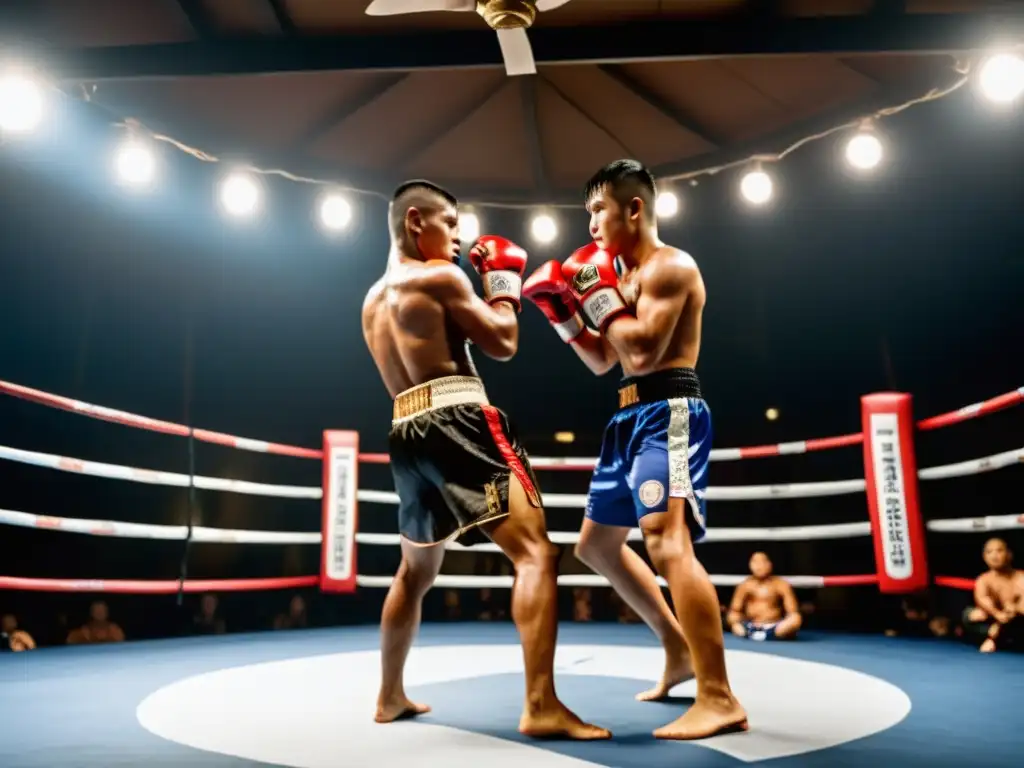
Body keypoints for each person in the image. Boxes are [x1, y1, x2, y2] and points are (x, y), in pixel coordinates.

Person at [362, 179, 609, 740]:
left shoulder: (372, 300)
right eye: (450, 223)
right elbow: (503, 341)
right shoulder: (442, 277)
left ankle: (389, 695)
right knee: (536, 555)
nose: (459, 236)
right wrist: (501, 285)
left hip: (405, 430)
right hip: (460, 420)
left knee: (415, 571)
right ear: (415, 222)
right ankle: (542, 704)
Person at [523, 159, 746, 740]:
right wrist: (565, 316)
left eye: (599, 208)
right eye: (588, 211)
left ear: (634, 208)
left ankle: (719, 696)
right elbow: (605, 360)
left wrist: (594, 296)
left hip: (668, 409)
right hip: (627, 415)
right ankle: (676, 647)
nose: (591, 222)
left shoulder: (671, 267)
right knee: (596, 546)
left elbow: (644, 352)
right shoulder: (617, 275)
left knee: (667, 542)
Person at [962, 537, 1023, 652]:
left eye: (999, 551)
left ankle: (996, 637)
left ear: (1009, 554)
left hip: (1015, 621)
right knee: (972, 614)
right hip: (995, 620)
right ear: (984, 557)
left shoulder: (1020, 578)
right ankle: (996, 635)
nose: (994, 556)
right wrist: (997, 614)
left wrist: (1013, 610)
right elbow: (982, 599)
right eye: (989, 552)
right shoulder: (984, 580)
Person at [726, 552, 802, 641]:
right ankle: (752, 633)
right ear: (750, 565)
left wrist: (787, 625)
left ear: (769, 564)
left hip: (774, 626)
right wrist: (737, 619)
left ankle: (768, 634)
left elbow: (792, 611)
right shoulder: (745, 585)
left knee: (796, 619)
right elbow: (735, 610)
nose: (759, 566)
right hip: (751, 625)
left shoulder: (781, 584)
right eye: (755, 562)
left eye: (762, 562)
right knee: (732, 618)